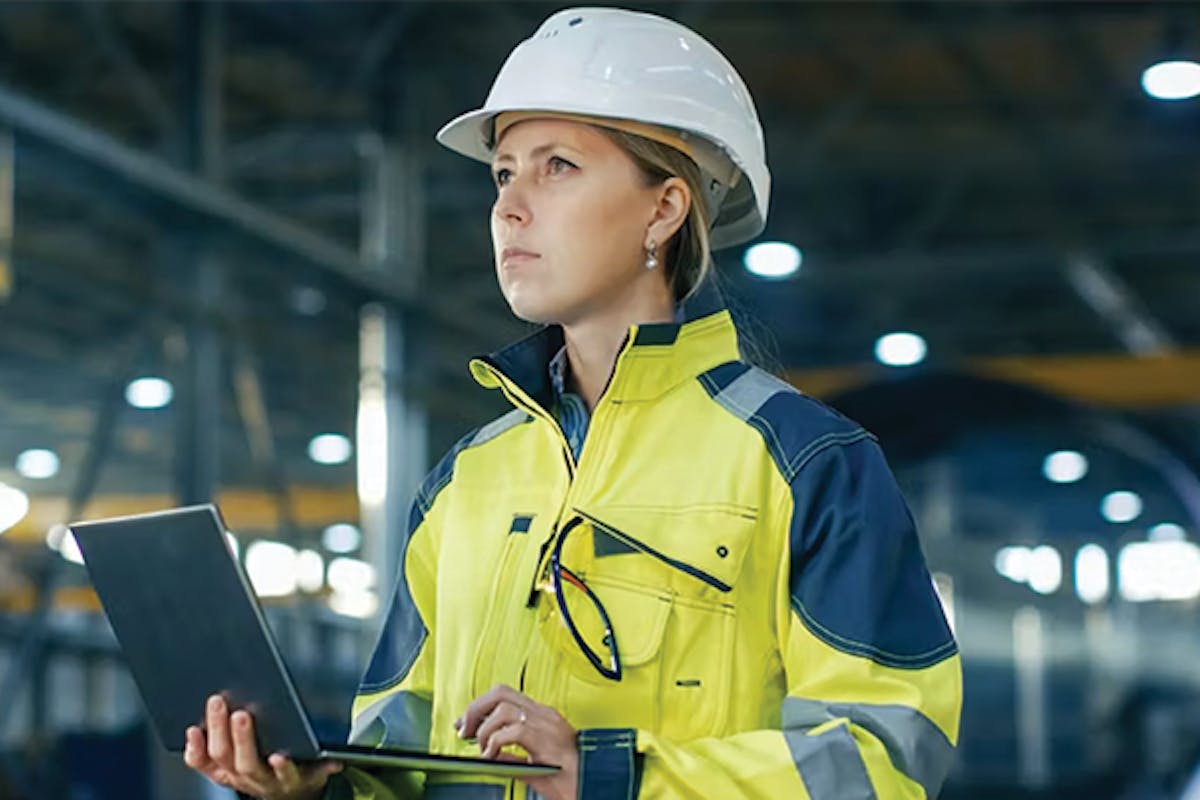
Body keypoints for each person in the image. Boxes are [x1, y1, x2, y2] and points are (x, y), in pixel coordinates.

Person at [184, 7, 962, 800]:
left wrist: (613, 776)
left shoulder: (808, 467)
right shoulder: (465, 484)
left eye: (557, 166)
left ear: (665, 208)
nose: (510, 207)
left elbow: (885, 758)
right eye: (503, 171)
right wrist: (311, 790)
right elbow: (400, 752)